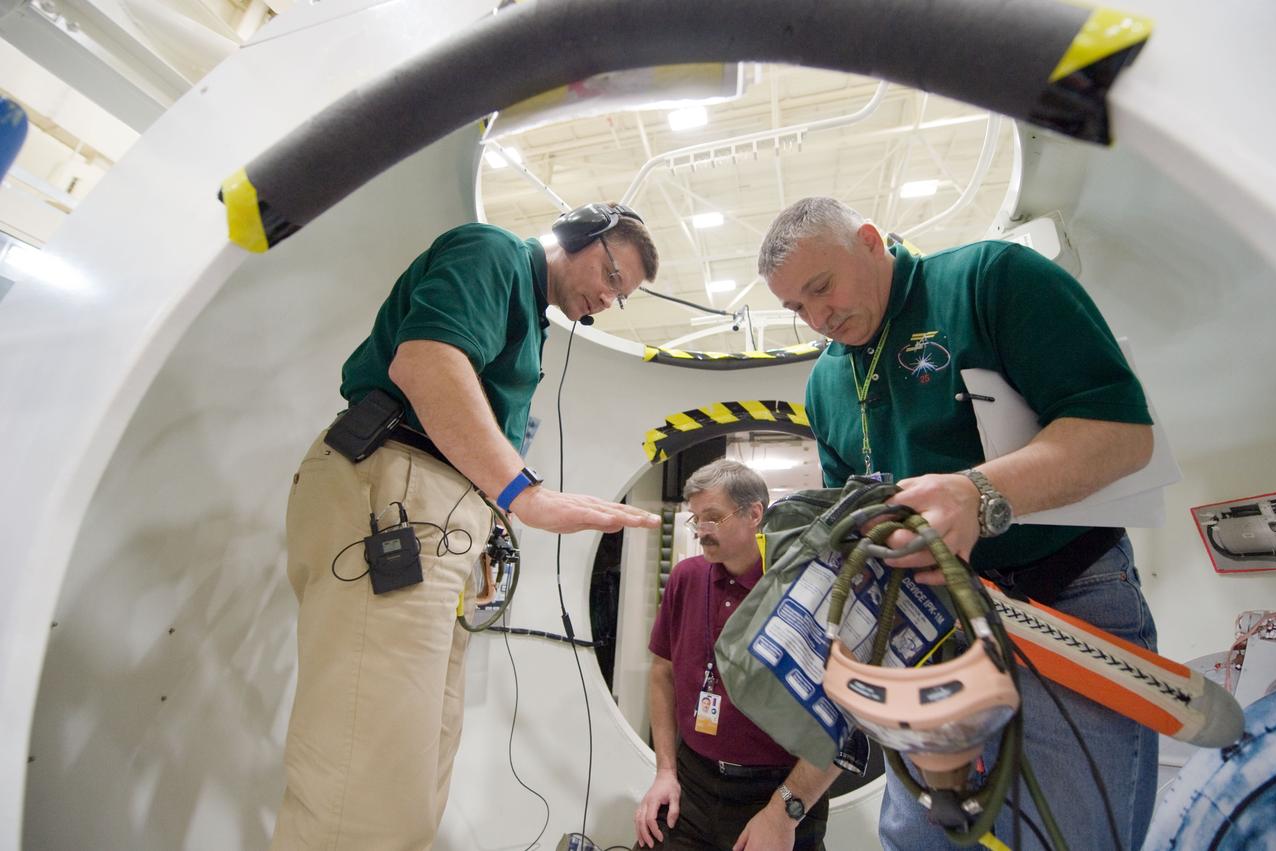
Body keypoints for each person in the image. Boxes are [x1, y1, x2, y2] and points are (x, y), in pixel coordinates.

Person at [758, 197, 1159, 850]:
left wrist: (979, 493)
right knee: (920, 837)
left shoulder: (989, 279)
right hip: (927, 632)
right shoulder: (825, 384)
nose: (818, 318)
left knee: (1069, 835)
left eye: (821, 287)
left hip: (1064, 603)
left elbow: (1122, 433)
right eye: (797, 308)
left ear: (868, 240)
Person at [272, 203, 662, 849]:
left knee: (415, 763)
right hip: (398, 491)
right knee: (367, 772)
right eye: (612, 273)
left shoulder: (529, 318)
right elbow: (426, 365)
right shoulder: (494, 251)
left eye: (620, 296)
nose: (607, 296)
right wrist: (523, 495)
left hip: (432, 511)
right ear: (578, 233)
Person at [635, 459, 842, 851]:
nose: (701, 531)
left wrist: (784, 811)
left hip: (777, 788)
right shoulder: (687, 578)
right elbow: (662, 671)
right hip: (693, 779)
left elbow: (840, 718)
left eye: (713, 518)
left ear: (754, 514)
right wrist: (665, 770)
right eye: (696, 520)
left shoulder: (800, 590)